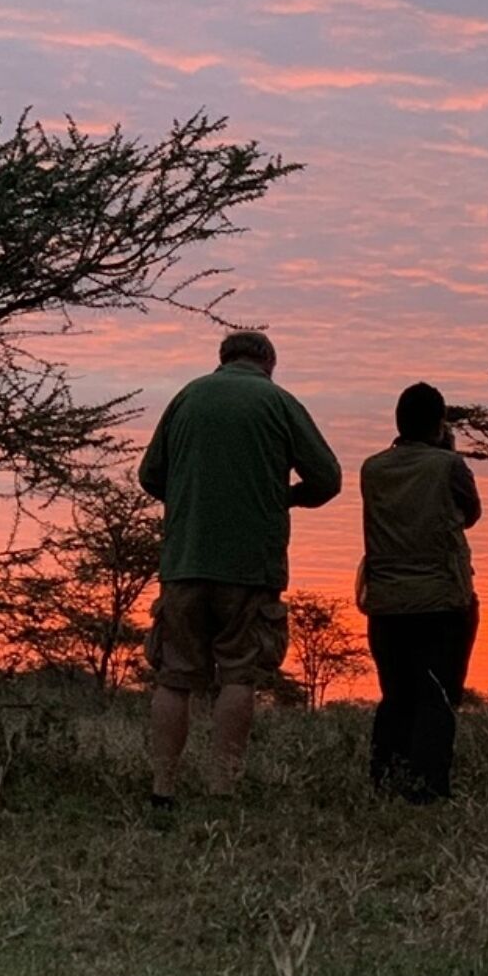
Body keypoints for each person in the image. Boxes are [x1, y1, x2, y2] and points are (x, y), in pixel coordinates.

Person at [138, 330, 341, 808]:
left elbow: (150, 475)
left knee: (174, 677)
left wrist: (191, 499)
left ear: (222, 359)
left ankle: (162, 789)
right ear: (268, 361)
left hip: (184, 561)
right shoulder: (277, 401)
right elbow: (327, 478)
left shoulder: (187, 397)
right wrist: (283, 498)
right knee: (238, 676)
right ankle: (222, 790)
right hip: (251, 567)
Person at [358, 383, 482, 802]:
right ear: (438, 423)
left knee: (396, 693)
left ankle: (386, 777)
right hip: (442, 600)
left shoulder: (372, 468)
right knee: (438, 694)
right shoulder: (449, 465)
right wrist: (447, 450)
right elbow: (471, 514)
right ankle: (428, 787)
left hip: (386, 600)